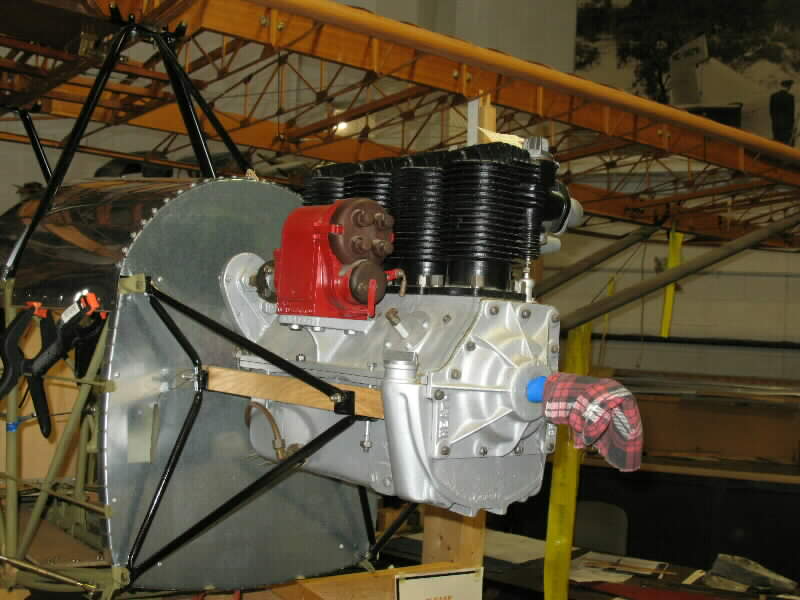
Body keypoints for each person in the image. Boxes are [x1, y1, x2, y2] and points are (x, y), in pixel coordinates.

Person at [770, 80, 795, 144]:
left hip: (776, 124)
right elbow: (791, 113)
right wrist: (792, 127)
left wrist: (775, 120)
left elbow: (771, 112)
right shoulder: (790, 97)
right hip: (786, 126)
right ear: (788, 87)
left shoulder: (773, 96)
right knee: (786, 143)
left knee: (777, 142)